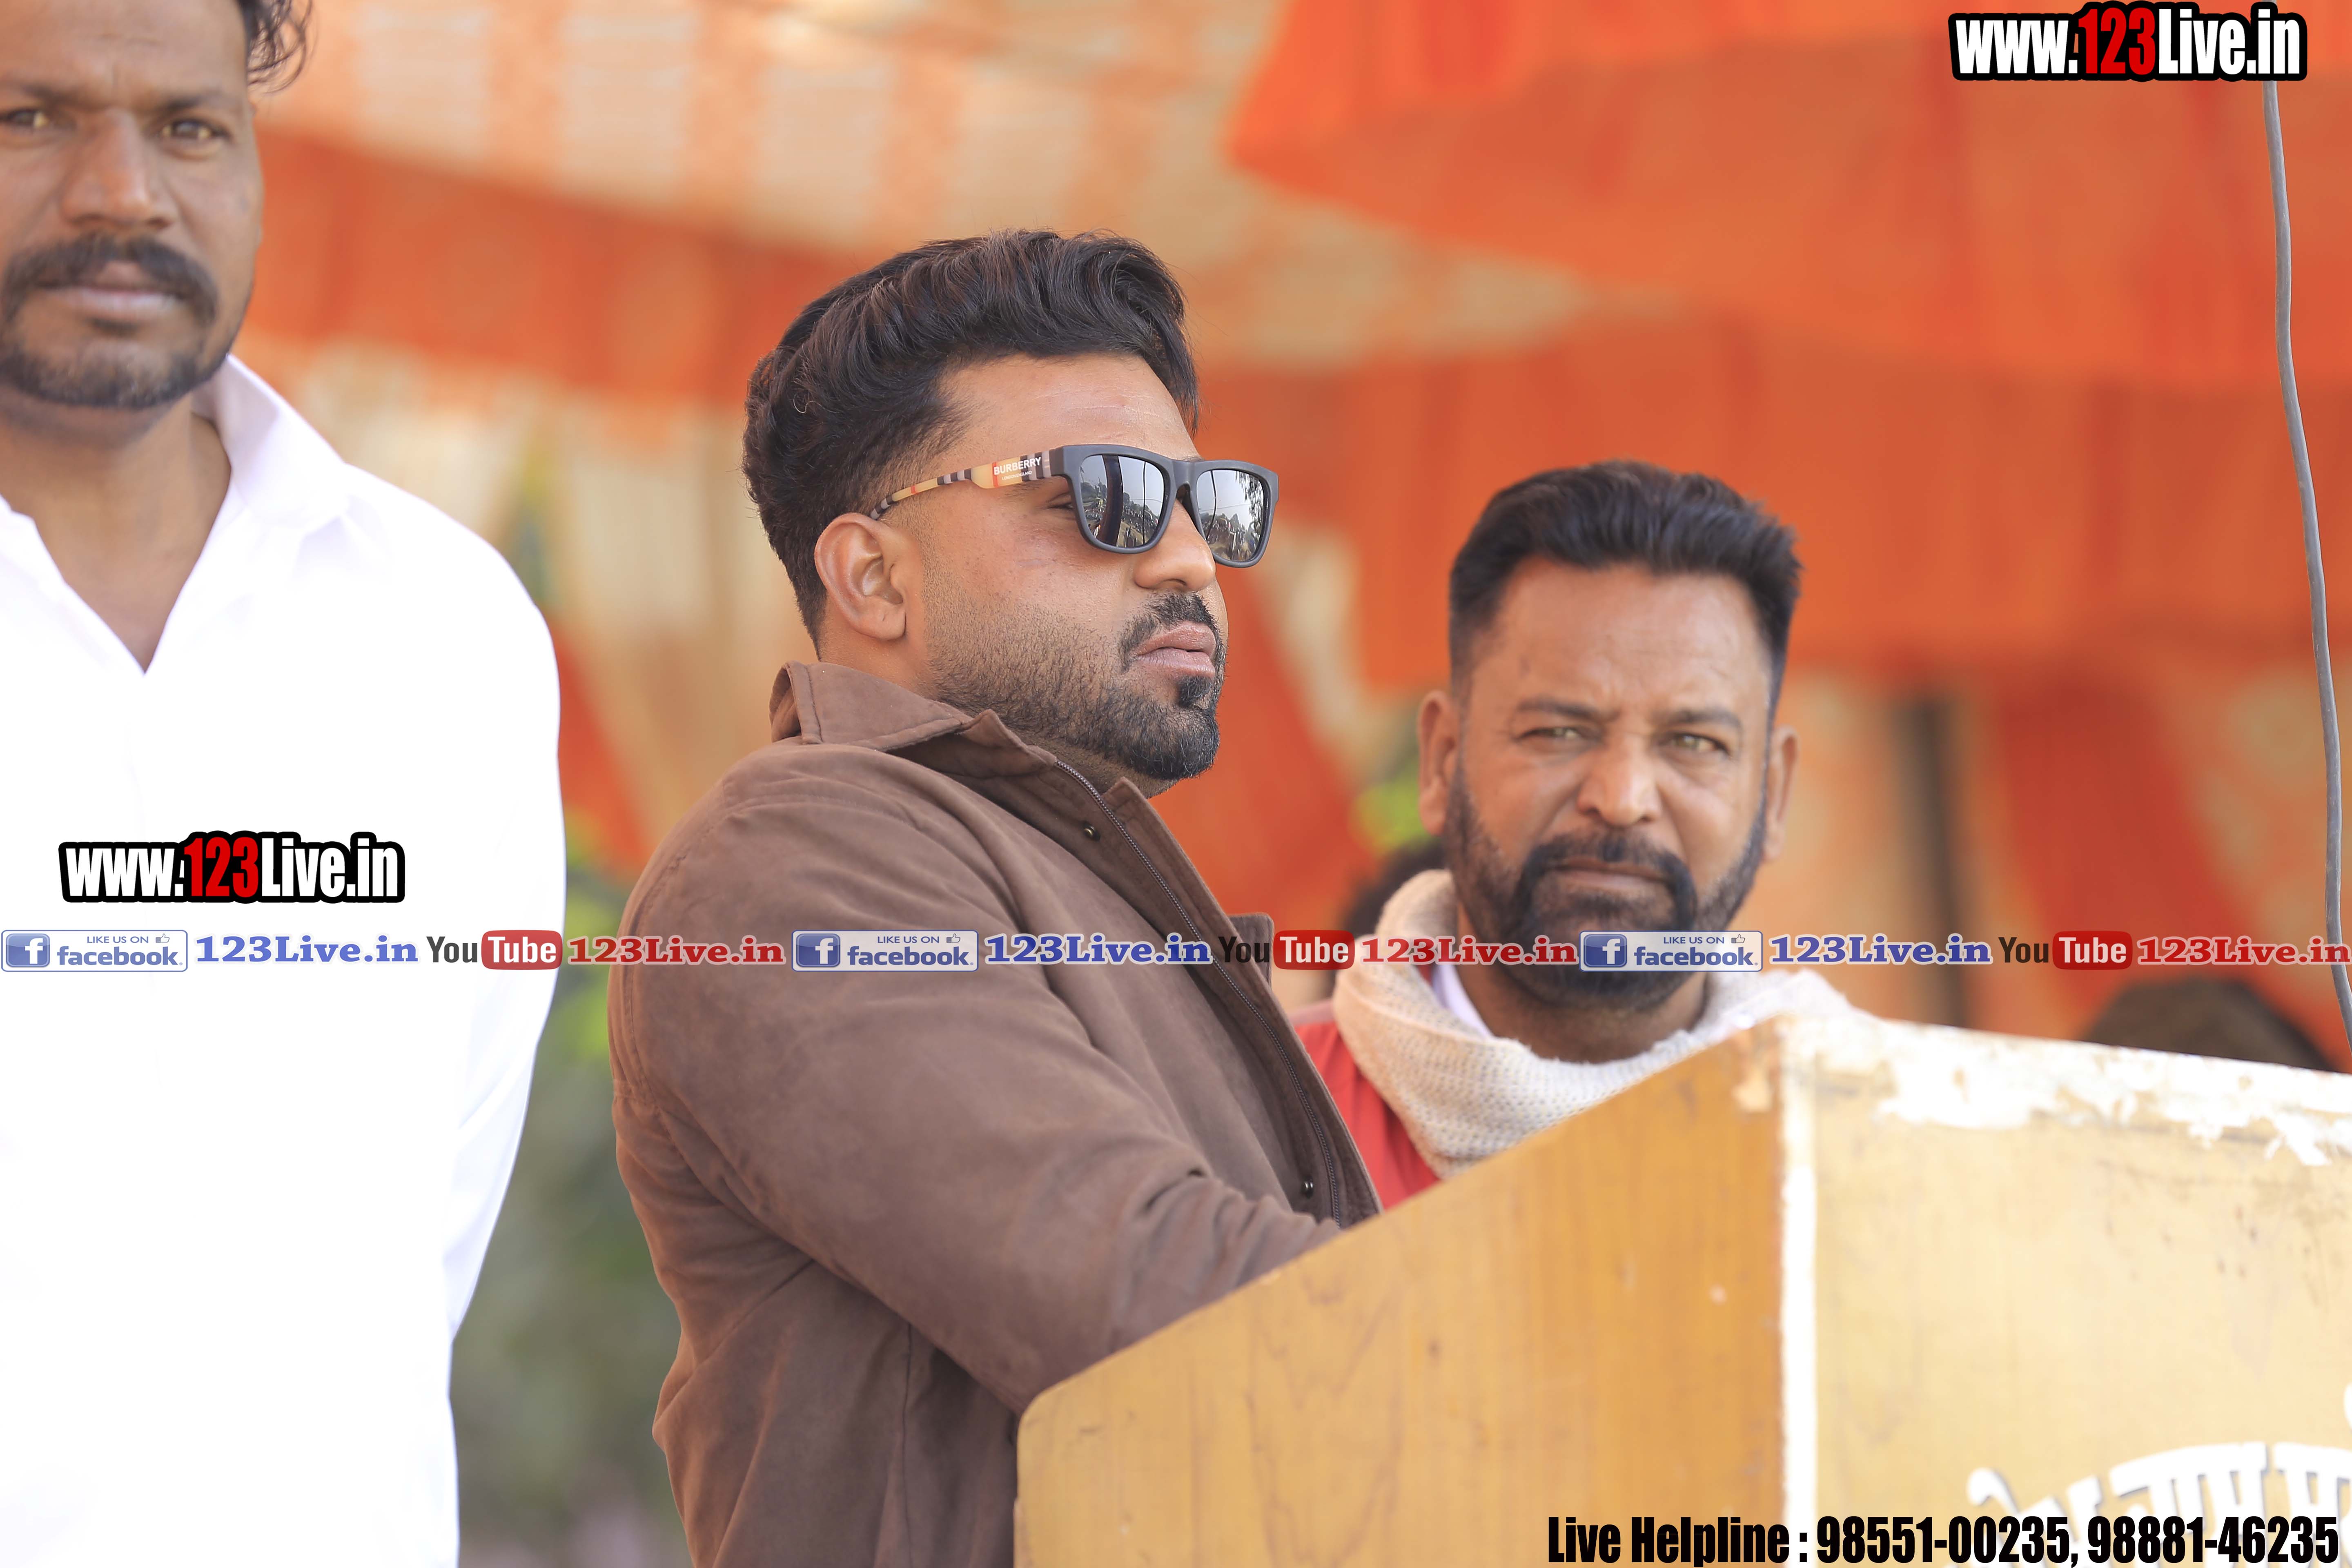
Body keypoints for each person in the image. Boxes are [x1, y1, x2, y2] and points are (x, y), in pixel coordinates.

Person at [606, 231, 1377, 1568]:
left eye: (1207, 505)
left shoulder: (1074, 880)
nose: (1189, 563)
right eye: (1105, 498)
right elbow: (1152, 1294)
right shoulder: (787, 861)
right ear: (873, 577)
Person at [0, 3, 564, 1563]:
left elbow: (428, 1223)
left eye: (188, 127)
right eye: (30, 118)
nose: (124, 192)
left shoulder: (447, 629)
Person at [1295, 462, 1851, 1207]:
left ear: (1773, 795)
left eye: (1693, 743)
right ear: (1442, 763)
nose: (1621, 799)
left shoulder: (1881, 1138)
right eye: (1559, 732)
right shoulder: (1256, 1126)